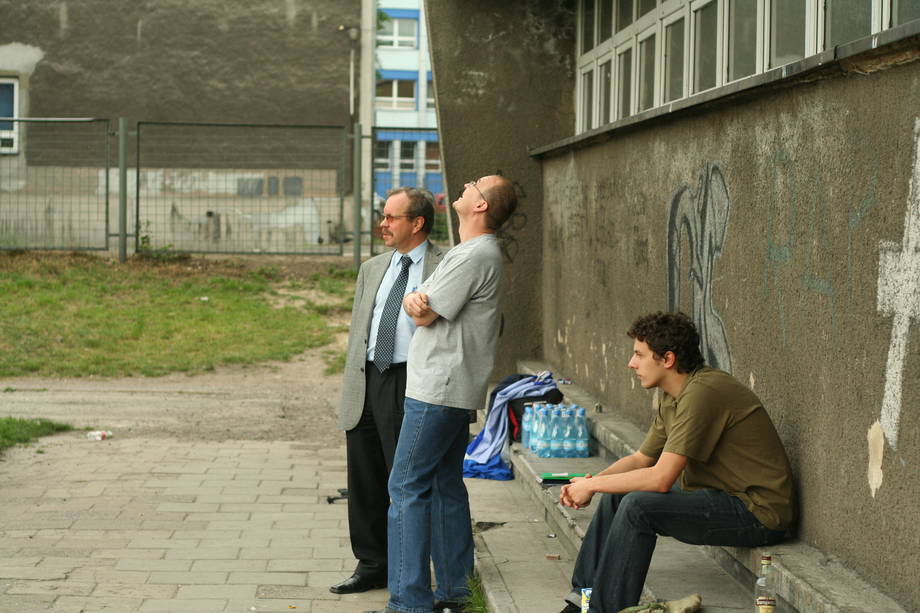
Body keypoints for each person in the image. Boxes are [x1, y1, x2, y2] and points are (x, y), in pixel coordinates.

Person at [556, 311, 797, 613]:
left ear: (667, 359)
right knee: (617, 495)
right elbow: (641, 459)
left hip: (757, 512)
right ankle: (581, 602)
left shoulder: (703, 393)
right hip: (723, 496)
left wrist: (593, 487)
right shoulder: (674, 395)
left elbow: (660, 479)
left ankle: (602, 610)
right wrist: (588, 484)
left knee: (638, 506)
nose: (631, 363)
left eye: (639, 355)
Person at [365, 175, 518, 613]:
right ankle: (454, 590)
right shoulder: (469, 252)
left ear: (481, 205)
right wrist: (417, 298)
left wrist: (418, 299)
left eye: (475, 185)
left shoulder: (473, 254)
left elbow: (424, 312)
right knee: (444, 485)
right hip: (452, 387)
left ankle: (408, 601)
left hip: (437, 388)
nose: (467, 185)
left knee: (405, 487)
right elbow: (419, 301)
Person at [330, 187, 444, 595]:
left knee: (407, 479)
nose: (383, 223)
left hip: (412, 380)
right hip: (367, 379)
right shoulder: (372, 268)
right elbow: (358, 330)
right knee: (364, 476)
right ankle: (372, 565)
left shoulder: (443, 264)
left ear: (417, 223)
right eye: (383, 215)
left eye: (392, 217)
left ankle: (410, 568)